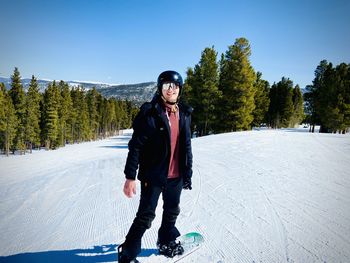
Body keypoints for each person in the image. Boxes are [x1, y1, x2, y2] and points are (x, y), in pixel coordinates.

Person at [118, 70, 193, 263]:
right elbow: (135, 146)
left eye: (175, 86)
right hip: (153, 176)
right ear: (160, 89)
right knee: (146, 216)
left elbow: (186, 145)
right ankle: (127, 253)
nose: (171, 89)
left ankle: (166, 240)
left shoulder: (184, 113)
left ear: (180, 89)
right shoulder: (150, 113)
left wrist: (188, 172)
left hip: (176, 176)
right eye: (167, 86)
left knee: (172, 211)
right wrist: (130, 177)